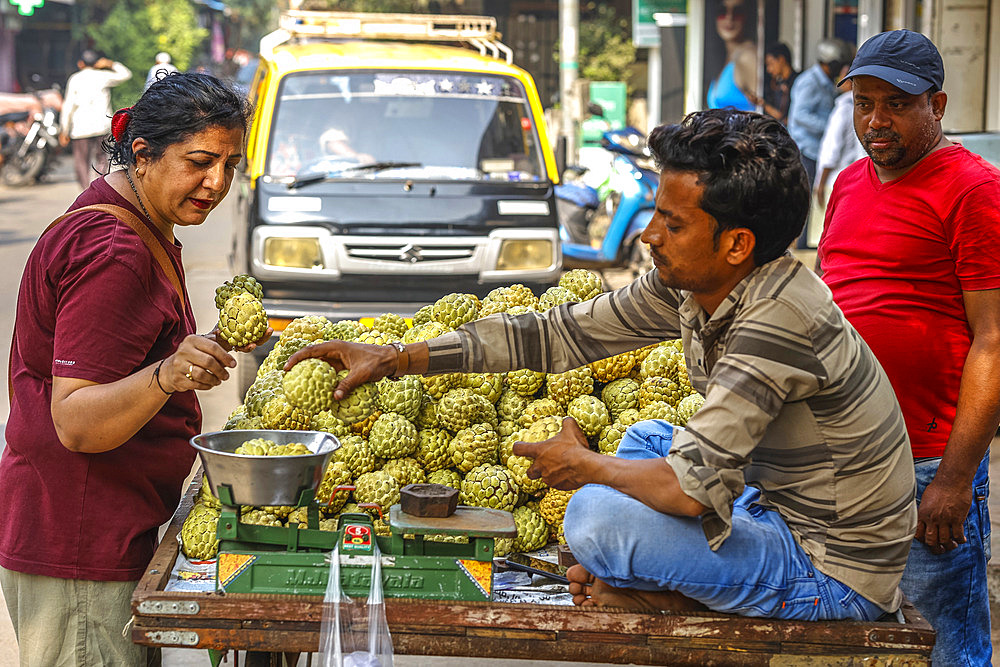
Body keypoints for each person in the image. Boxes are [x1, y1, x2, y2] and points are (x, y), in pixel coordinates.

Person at [287, 109, 917, 621]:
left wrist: (587, 466)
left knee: (595, 518)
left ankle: (679, 594)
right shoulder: (703, 284)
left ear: (736, 243)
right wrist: (400, 357)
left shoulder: (777, 323)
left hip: (832, 564)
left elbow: (689, 493)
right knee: (645, 440)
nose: (648, 236)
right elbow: (562, 333)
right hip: (772, 499)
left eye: (672, 223)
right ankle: (673, 589)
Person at [0, 72, 264, 666]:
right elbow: (77, 423)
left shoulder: (141, 224)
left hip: (107, 526)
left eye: (229, 164)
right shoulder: (114, 250)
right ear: (141, 155)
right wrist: (168, 375)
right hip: (83, 542)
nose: (216, 183)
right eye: (198, 161)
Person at [818, 29, 1000, 666]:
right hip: (841, 458)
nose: (877, 120)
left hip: (925, 465)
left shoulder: (974, 191)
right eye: (865, 103)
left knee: (944, 647)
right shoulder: (846, 185)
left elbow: (994, 342)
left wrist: (953, 479)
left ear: (939, 105)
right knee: (854, 640)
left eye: (896, 103)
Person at [59, 50, 132, 189]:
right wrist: (110, 64)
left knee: (81, 162)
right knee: (102, 159)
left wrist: (64, 129)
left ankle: (86, 191)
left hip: (80, 129)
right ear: (96, 63)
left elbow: (68, 106)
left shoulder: (75, 79)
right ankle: (99, 187)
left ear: (80, 64)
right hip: (101, 127)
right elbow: (125, 74)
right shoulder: (103, 76)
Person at [705, 0, 757, 111]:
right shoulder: (729, 57)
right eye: (722, 11)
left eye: (738, 12)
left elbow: (764, 114)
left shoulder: (748, 57)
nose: (729, 18)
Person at [747, 42, 798, 125]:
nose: (769, 69)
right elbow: (780, 116)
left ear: (781, 60)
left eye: (771, 64)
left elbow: (788, 118)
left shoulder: (799, 82)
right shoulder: (778, 84)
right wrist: (761, 103)